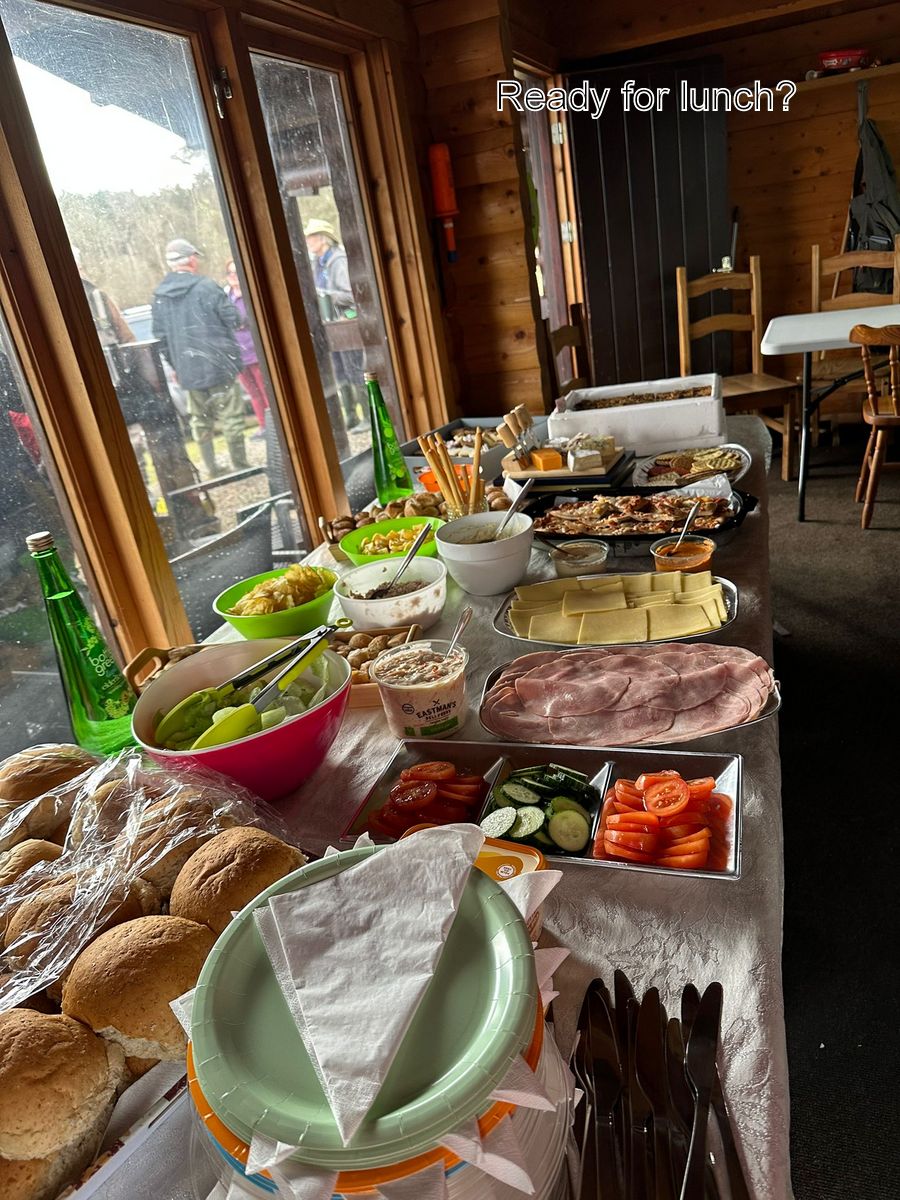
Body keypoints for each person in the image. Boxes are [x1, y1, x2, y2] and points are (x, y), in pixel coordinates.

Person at [74, 247, 218, 543]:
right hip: (94, 405)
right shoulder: (89, 298)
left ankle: (171, 524)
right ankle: (147, 526)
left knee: (145, 460)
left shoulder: (97, 298)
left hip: (124, 397)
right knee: (124, 469)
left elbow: (128, 342)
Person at [151, 238, 248, 476]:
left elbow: (160, 338)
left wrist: (176, 366)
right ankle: (241, 465)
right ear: (192, 260)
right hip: (220, 364)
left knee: (200, 419)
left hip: (188, 369)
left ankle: (212, 469)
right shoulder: (207, 286)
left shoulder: (159, 296)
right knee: (231, 414)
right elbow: (233, 319)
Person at [303, 219, 365, 432]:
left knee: (355, 370)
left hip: (347, 326)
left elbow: (350, 295)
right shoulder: (317, 263)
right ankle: (351, 416)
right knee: (339, 372)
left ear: (323, 239)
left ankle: (367, 417)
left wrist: (324, 295)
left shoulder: (338, 261)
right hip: (332, 328)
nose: (307, 241)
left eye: (311, 237)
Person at [224, 261, 268, 438]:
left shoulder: (251, 294)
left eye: (236, 272)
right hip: (239, 355)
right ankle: (264, 426)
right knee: (253, 393)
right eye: (230, 273)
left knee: (266, 390)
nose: (233, 276)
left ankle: (275, 425)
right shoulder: (226, 297)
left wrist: (242, 322)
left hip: (256, 351)